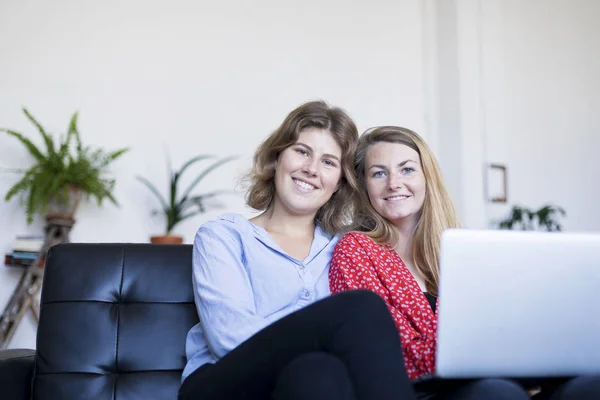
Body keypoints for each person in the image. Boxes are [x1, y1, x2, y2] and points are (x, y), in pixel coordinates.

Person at [328, 126, 600, 400]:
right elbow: (394, 353)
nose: (394, 183)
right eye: (379, 173)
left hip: (493, 375)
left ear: (427, 178)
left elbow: (500, 324)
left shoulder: (457, 248)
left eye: (407, 169)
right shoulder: (355, 250)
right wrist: (494, 354)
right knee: (497, 393)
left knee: (590, 384)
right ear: (364, 187)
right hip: (418, 391)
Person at [179, 103, 418, 400]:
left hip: (299, 383)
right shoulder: (224, 236)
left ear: (339, 183)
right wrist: (326, 332)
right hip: (221, 383)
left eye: (329, 162)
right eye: (302, 151)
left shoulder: (345, 248)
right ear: (277, 158)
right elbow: (228, 339)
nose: (311, 169)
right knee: (361, 308)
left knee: (318, 373)